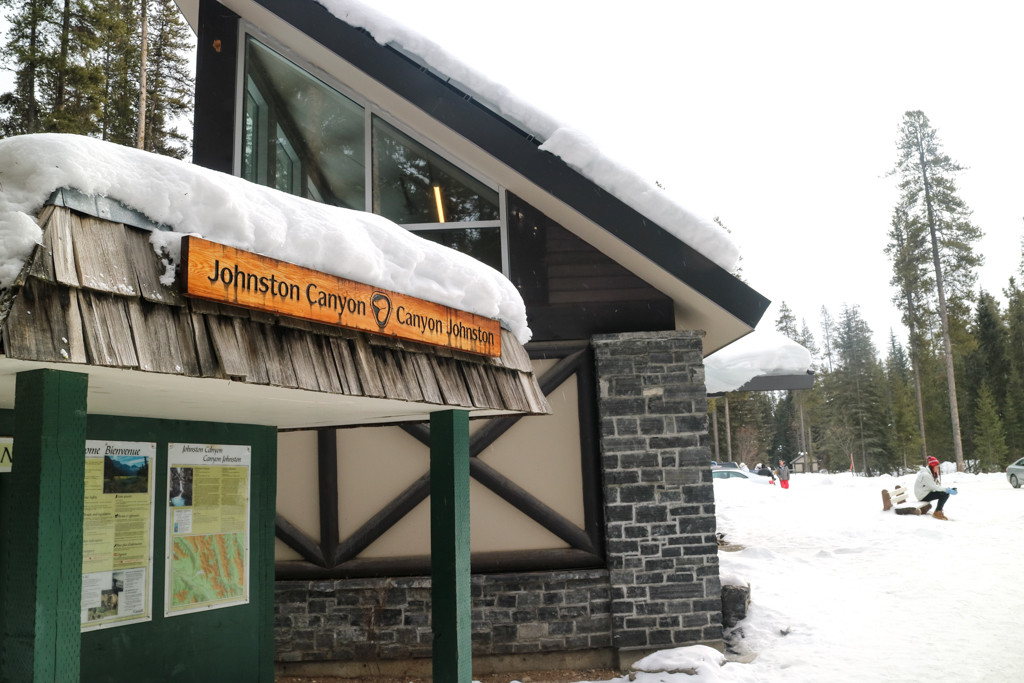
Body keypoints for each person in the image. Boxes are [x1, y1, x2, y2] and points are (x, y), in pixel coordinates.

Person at [914, 455, 956, 520]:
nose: (938, 469)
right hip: (922, 495)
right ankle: (937, 512)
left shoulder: (930, 473)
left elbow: (936, 486)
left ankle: (938, 511)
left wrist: (948, 489)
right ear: (932, 466)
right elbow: (934, 487)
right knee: (944, 494)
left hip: (925, 493)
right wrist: (947, 490)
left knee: (944, 493)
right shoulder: (926, 475)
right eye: (937, 467)